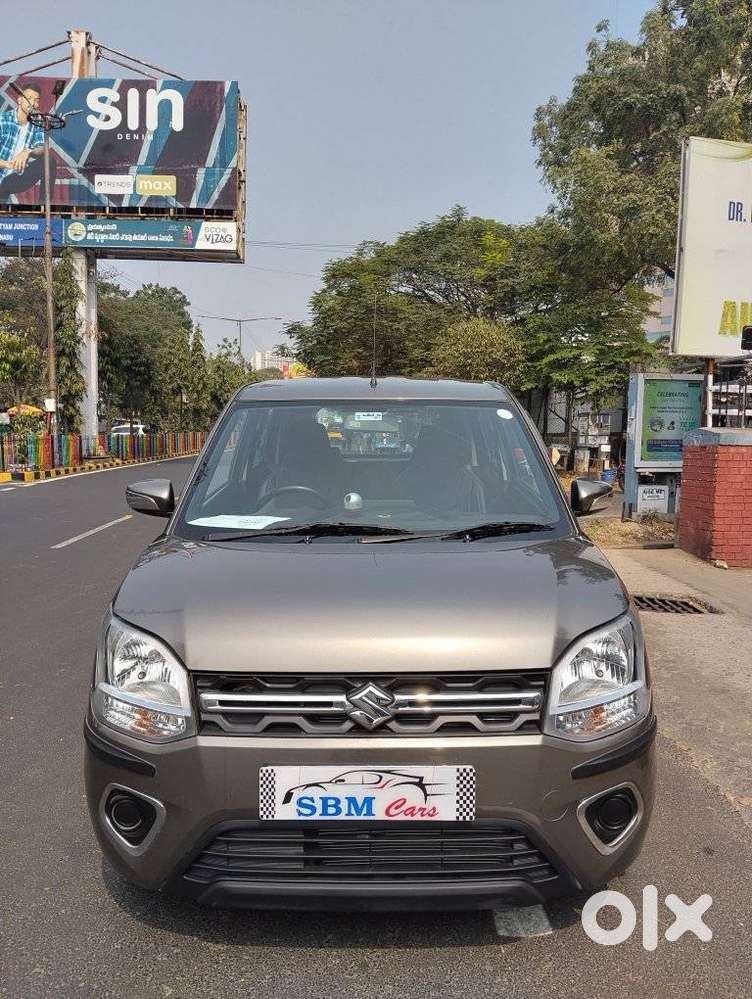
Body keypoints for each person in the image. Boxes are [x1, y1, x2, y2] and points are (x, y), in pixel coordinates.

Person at [0, 83, 56, 202]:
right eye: (29, 98)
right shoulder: (2, 119)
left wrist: (27, 152)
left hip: (17, 177)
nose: (33, 103)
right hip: (1, 174)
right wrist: (7, 164)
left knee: (49, 161)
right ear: (19, 100)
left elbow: (42, 148)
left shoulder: (38, 121)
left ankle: (44, 209)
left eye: (36, 100)